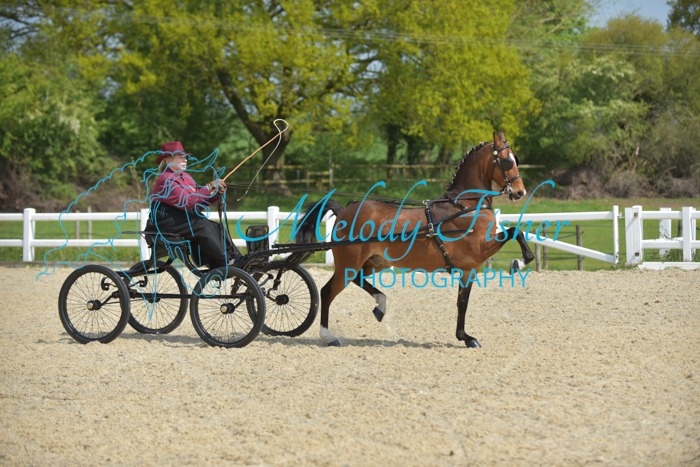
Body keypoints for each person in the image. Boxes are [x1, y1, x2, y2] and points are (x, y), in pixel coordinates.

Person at [148, 141, 241, 268]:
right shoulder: (165, 179)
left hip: (180, 219)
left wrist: (215, 195)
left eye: (185, 157)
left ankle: (235, 257)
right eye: (180, 157)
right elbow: (188, 202)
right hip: (164, 224)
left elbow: (196, 205)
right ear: (168, 160)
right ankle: (222, 261)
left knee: (216, 226)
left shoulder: (186, 177)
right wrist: (209, 187)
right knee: (202, 225)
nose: (185, 160)